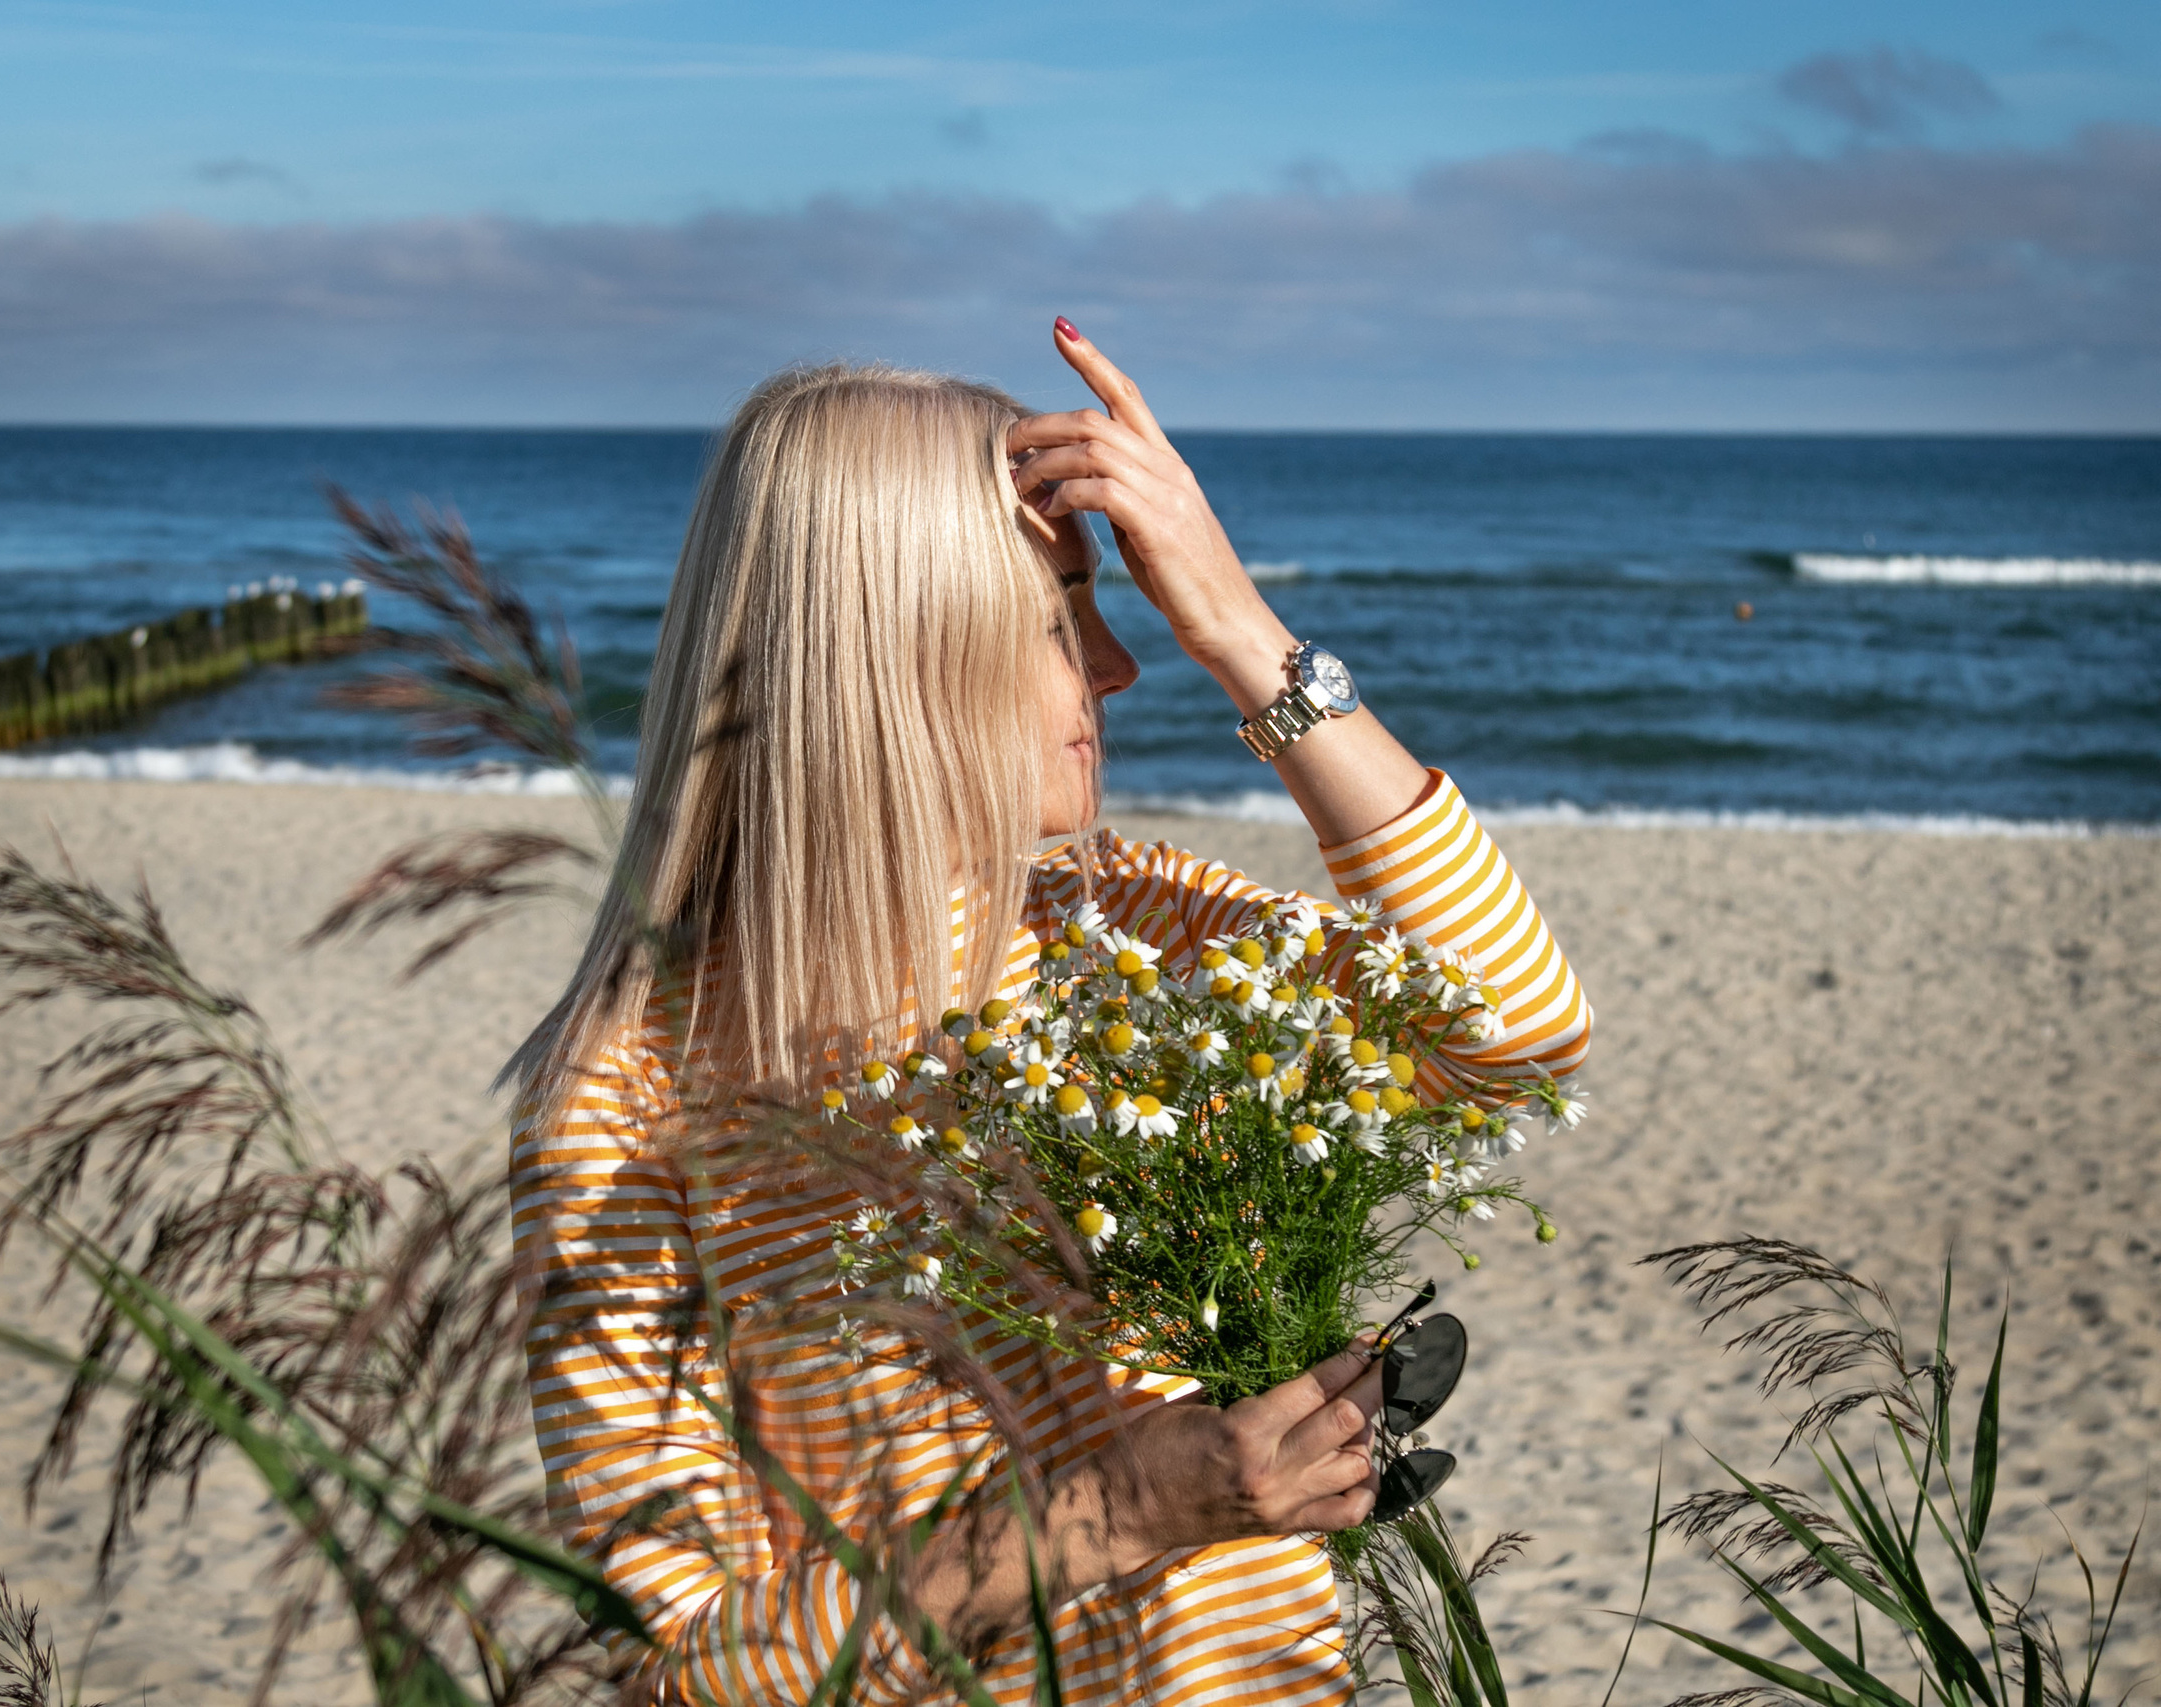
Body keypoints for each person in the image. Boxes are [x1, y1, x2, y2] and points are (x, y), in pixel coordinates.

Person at [507, 320, 1592, 1705]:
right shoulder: (628, 1091)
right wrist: (1118, 1511)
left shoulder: (1123, 924)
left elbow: (1513, 1037)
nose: (1120, 666)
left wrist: (1247, 639)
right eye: (1059, 613)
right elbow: (680, 1670)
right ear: (898, 650)